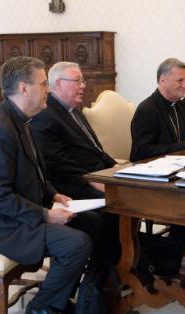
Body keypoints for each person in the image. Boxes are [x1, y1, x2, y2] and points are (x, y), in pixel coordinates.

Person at [0, 56, 102, 314]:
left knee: (95, 223)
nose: (48, 90)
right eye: (43, 84)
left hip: (17, 214)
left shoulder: (22, 118)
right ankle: (42, 307)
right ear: (24, 88)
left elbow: (35, 171)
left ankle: (60, 296)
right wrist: (46, 214)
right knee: (76, 244)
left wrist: (54, 194)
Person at [30, 61, 120, 264]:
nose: (83, 86)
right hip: (70, 184)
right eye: (77, 81)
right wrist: (92, 181)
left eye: (82, 81)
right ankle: (103, 273)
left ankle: (123, 262)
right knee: (115, 207)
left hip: (93, 176)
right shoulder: (46, 115)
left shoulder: (74, 111)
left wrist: (118, 168)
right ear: (58, 85)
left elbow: (96, 150)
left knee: (130, 199)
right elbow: (57, 164)